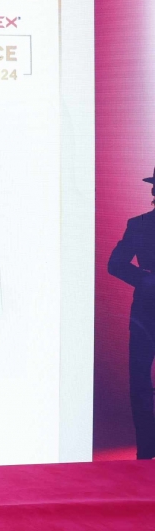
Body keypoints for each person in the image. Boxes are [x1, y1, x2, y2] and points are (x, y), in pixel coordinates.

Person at [108, 165, 155, 460]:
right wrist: (146, 280)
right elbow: (115, 264)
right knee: (139, 384)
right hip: (145, 314)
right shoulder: (138, 224)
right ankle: (147, 450)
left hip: (144, 312)